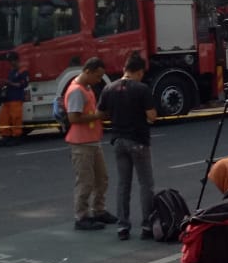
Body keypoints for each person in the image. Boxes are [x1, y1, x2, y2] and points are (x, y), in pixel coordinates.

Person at [96, 52, 158, 240]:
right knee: (145, 184)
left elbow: (101, 114)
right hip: (138, 140)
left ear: (124, 69)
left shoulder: (109, 88)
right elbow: (152, 116)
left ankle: (122, 226)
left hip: (118, 141)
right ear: (139, 72)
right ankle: (147, 225)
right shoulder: (142, 89)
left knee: (123, 184)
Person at [64, 57, 115, 231]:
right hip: (81, 143)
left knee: (102, 179)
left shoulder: (87, 88)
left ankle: (99, 210)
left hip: (93, 141)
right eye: (98, 76)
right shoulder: (76, 91)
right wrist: (98, 116)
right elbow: (73, 117)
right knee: (85, 182)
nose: (99, 80)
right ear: (88, 71)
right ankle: (82, 216)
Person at [0, 52, 29, 146]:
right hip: (7, 98)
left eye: (12, 61)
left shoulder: (22, 71)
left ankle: (16, 137)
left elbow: (23, 84)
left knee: (16, 118)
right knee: (3, 118)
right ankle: (5, 136)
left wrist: (9, 83)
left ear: (16, 60)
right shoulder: (11, 71)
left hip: (16, 98)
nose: (10, 63)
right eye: (9, 61)